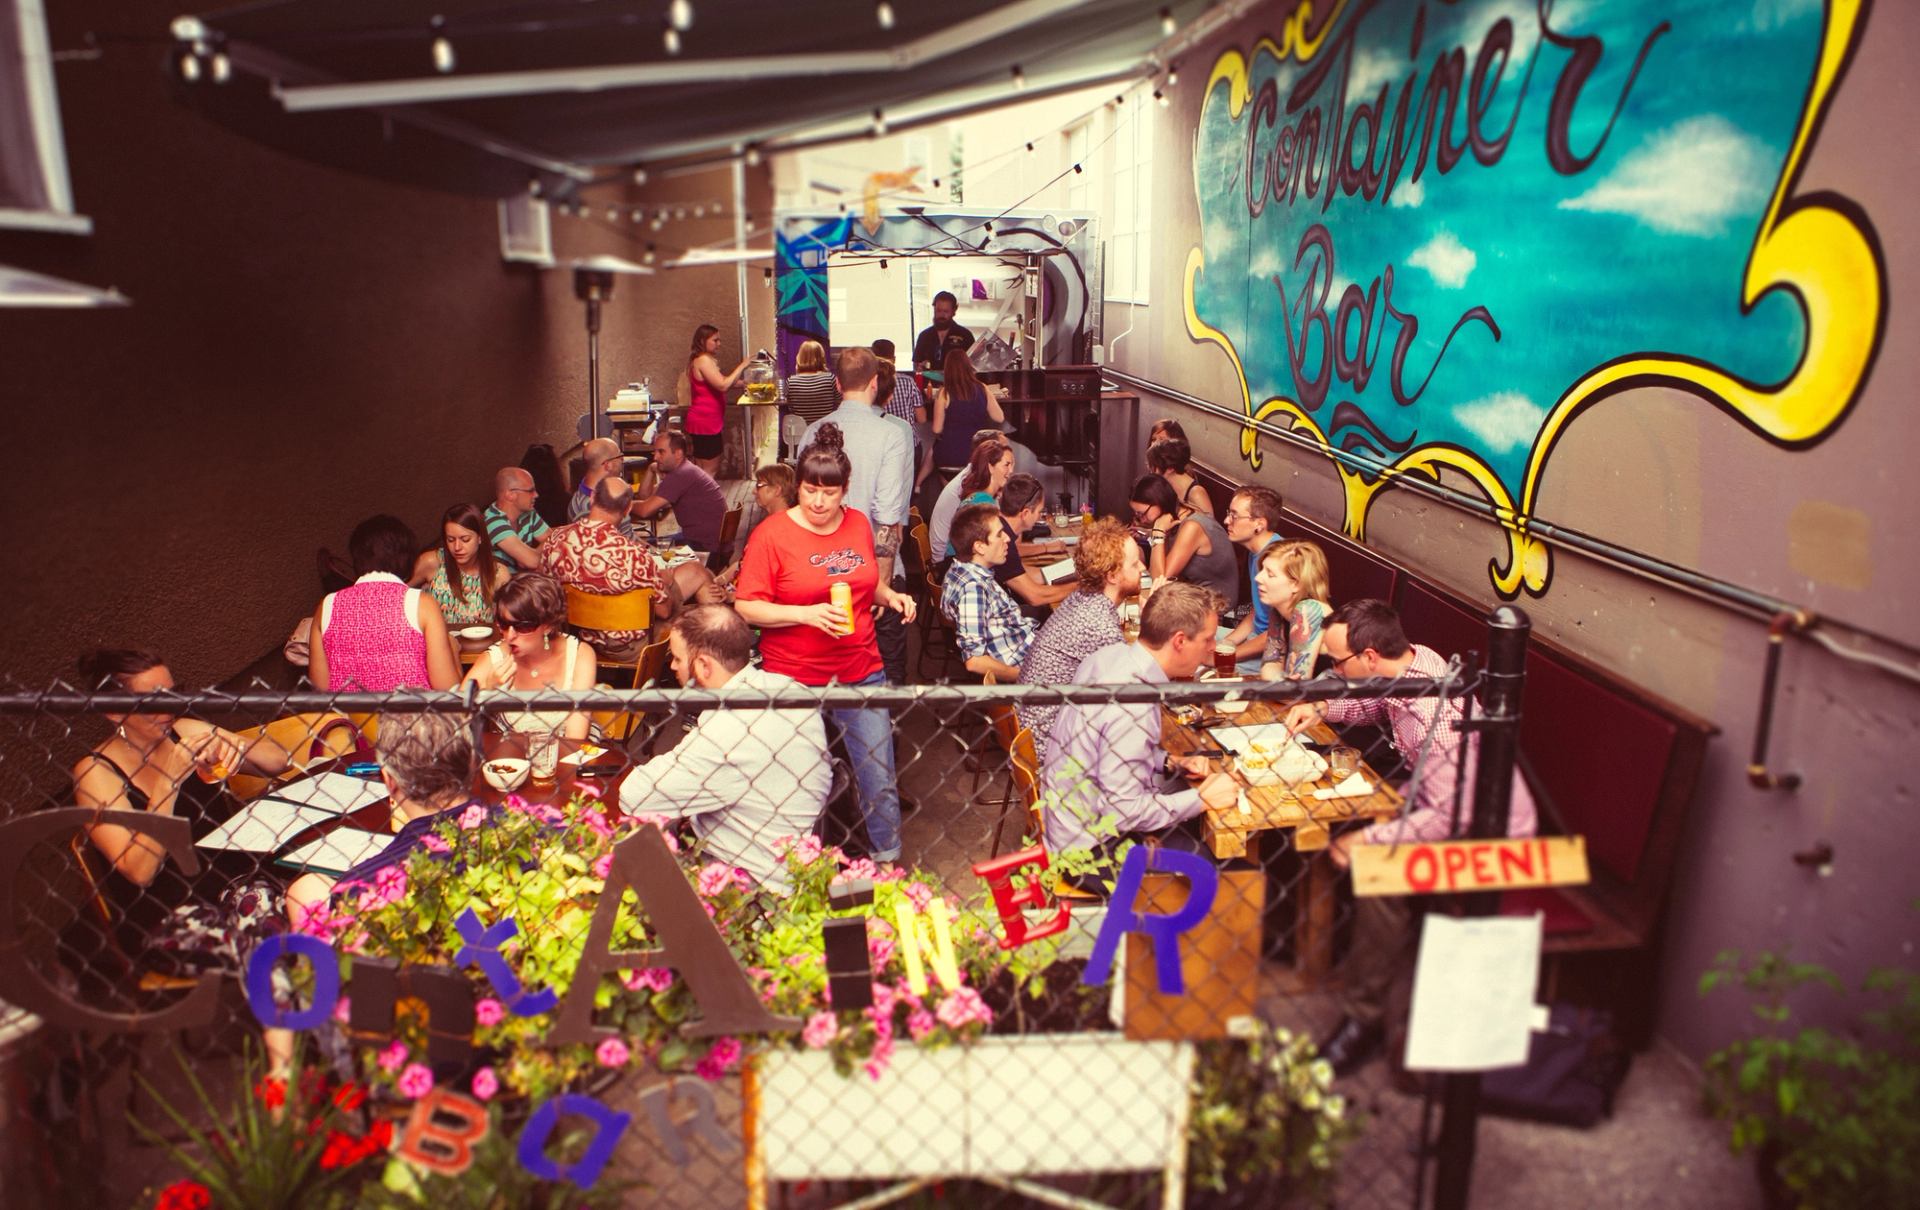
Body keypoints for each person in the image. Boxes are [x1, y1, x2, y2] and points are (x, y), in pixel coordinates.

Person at [1282, 599, 1540, 1075]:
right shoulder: (1417, 662)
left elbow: (1450, 817)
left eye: (1338, 662)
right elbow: (1371, 700)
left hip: (1494, 839)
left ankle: (1364, 1019)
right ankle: (1350, 954)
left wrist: (1370, 844)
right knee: (1355, 825)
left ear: (1370, 657)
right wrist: (1323, 706)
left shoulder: (1433, 722)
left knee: (1380, 876)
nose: (1334, 669)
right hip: (1446, 801)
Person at [734, 425, 917, 863]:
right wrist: (804, 614)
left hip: (859, 667)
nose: (818, 502)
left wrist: (889, 595)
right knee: (798, 779)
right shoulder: (772, 535)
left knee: (879, 774)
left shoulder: (856, 524)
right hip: (794, 676)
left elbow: (863, 583)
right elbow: (746, 607)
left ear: (845, 491)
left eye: (829, 492)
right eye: (810, 490)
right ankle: (798, 867)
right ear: (798, 487)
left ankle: (888, 865)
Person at [70, 649, 292, 971]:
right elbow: (140, 871)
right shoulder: (95, 773)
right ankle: (302, 1009)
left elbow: (279, 762)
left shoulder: (184, 730)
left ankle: (300, 1005)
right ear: (114, 712)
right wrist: (168, 783)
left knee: (292, 906)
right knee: (263, 939)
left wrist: (235, 747)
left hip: (235, 883)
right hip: (169, 914)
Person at [617, 606, 831, 890]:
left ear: (704, 666)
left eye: (677, 658)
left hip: (751, 884)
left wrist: (675, 761)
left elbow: (635, 798)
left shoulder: (730, 731)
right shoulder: (786, 688)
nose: (672, 667)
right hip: (789, 860)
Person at [1039, 582, 1239, 865]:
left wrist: (1168, 761)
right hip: (1091, 852)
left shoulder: (1108, 657)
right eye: (1207, 639)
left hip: (1069, 824)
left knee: (1188, 812)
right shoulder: (1133, 700)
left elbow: (1105, 749)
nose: (1213, 647)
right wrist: (1203, 799)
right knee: (1228, 868)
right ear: (1180, 641)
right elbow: (1125, 811)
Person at [284, 710, 481, 920]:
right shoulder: (515, 825)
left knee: (305, 889)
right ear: (473, 762)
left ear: (389, 780)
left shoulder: (361, 889)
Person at [801, 347, 913, 684]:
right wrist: (880, 585)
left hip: (820, 571)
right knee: (886, 671)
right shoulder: (892, 434)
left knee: (828, 673)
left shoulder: (812, 432)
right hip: (871, 571)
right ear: (875, 382)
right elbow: (889, 516)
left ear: (837, 383)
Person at [1016, 519, 1143, 760]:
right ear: (1113, 575)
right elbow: (1131, 697)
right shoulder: (1099, 625)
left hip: (1034, 734)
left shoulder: (1082, 598)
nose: (1141, 570)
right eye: (1135, 564)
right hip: (1051, 752)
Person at [309, 514, 460, 693]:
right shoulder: (422, 604)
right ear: (407, 558)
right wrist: (453, 650)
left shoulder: (326, 606)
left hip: (349, 719)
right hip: (411, 719)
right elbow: (448, 690)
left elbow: (320, 690)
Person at [540, 476, 665, 660]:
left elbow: (544, 586)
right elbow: (662, 610)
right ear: (628, 509)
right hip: (625, 649)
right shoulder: (636, 555)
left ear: (592, 498)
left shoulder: (556, 539)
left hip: (576, 640)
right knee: (674, 614)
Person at [462, 573, 598, 741]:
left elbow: (575, 737)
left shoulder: (580, 655)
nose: (509, 636)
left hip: (567, 755)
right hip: (509, 760)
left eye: (522, 627)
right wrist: (486, 692)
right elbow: (456, 721)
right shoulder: (494, 659)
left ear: (547, 625)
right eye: (504, 624)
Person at [940, 503, 1037, 681]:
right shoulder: (972, 589)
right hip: (1025, 663)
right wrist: (1026, 676)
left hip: (1024, 643)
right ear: (979, 547)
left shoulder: (960, 570)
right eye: (1000, 534)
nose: (1007, 538)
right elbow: (975, 661)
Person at [1130, 475, 1239, 609]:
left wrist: (1157, 532)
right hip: (1192, 598)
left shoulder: (1192, 527)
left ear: (1159, 503)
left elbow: (1159, 580)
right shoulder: (1176, 517)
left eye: (1142, 513)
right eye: (1136, 514)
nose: (1141, 519)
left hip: (1217, 608)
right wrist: (1153, 534)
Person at [409, 503, 511, 628]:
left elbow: (509, 621)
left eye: (465, 539)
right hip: (438, 643)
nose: (457, 547)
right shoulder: (432, 561)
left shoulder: (499, 573)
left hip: (481, 645)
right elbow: (396, 591)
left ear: (480, 538)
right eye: (451, 540)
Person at [1218, 486, 1285, 673]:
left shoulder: (1278, 559)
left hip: (1272, 653)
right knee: (1194, 638)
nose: (1226, 521)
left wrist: (1227, 655)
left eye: (1234, 515)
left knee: (1199, 664)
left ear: (1259, 524)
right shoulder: (1255, 552)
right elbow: (1258, 612)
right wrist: (1227, 642)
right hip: (1254, 636)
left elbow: (1275, 635)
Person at [634, 429, 728, 552]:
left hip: (703, 547)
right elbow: (645, 497)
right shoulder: (685, 470)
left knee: (637, 547)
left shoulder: (681, 475)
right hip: (709, 542)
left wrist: (623, 504)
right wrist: (651, 470)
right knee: (643, 544)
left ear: (678, 453)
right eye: (654, 452)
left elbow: (645, 510)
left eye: (661, 452)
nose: (655, 457)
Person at [994, 473, 1075, 613]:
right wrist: (1081, 586)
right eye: (1039, 512)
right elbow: (1035, 596)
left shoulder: (1000, 526)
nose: (1039, 517)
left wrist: (1069, 572)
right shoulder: (1002, 541)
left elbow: (1024, 574)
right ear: (1025, 513)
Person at [1255, 540, 1332, 681]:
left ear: (1296, 584)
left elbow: (1294, 689)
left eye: (1270, 574)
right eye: (1262, 570)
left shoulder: (1308, 610)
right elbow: (1270, 666)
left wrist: (1278, 684)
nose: (1258, 578)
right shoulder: (1278, 609)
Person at [927, 430, 1009, 559]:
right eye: (1002, 449)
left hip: (953, 552)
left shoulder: (976, 476)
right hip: (947, 558)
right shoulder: (972, 484)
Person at [715, 463, 796, 589]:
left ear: (777, 490)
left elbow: (772, 581)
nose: (754, 491)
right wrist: (721, 579)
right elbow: (745, 562)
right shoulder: (772, 522)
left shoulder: (780, 530)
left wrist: (731, 596)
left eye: (759, 485)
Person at [930, 348, 1005, 471]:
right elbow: (999, 417)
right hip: (977, 454)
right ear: (969, 366)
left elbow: (937, 429)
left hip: (950, 454)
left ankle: (921, 485)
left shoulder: (944, 393)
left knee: (935, 453)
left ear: (947, 369)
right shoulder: (982, 388)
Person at [872, 338, 932, 492]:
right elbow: (922, 418)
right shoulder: (907, 381)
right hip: (909, 444)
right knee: (906, 491)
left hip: (880, 444)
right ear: (894, 358)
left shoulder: (869, 384)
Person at [687, 323, 750, 470]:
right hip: (705, 421)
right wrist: (742, 366)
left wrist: (744, 383)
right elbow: (722, 385)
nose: (719, 344)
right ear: (703, 341)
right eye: (715, 340)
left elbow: (722, 381)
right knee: (709, 469)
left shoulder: (704, 360)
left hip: (707, 421)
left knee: (702, 469)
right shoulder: (703, 361)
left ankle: (701, 493)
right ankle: (705, 493)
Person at [568, 438, 639, 541]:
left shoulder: (595, 496)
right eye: (619, 457)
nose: (622, 460)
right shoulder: (590, 509)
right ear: (608, 465)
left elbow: (630, 537)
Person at [485, 466, 550, 573]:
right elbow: (533, 561)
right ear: (510, 495)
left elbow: (553, 538)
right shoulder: (493, 521)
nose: (536, 495)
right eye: (531, 490)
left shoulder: (528, 512)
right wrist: (531, 557)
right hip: (505, 586)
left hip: (523, 581)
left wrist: (532, 553)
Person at [1144, 434, 1216, 518]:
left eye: (1154, 467)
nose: (1152, 472)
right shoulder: (1168, 487)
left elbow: (1210, 528)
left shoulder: (1197, 494)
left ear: (1170, 468)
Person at [913, 289, 975, 371]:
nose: (941, 315)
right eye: (938, 311)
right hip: (930, 382)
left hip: (956, 383)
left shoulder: (965, 335)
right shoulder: (924, 336)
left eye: (946, 311)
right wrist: (920, 366)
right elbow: (916, 364)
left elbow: (974, 366)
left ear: (954, 311)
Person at [782, 339, 839, 426]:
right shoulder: (830, 379)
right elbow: (839, 404)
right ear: (821, 357)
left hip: (800, 434)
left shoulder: (791, 382)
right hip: (826, 433)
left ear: (800, 357)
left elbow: (789, 407)